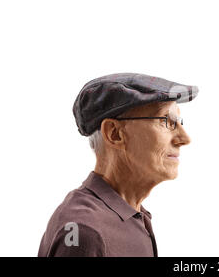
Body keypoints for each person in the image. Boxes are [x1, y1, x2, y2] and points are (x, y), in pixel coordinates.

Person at [38, 73, 198, 256]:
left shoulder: (129, 214)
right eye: (166, 121)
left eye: (179, 122)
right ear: (114, 134)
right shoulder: (86, 231)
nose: (185, 139)